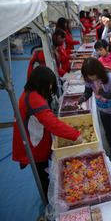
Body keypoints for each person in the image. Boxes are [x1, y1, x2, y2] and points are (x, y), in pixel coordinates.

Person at [12, 66, 83, 198]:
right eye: (50, 83)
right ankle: (48, 201)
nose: (51, 87)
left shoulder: (29, 92)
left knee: (43, 173)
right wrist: (76, 135)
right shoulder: (34, 99)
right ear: (41, 82)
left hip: (30, 140)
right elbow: (53, 124)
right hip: (33, 145)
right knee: (42, 177)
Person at [78, 58, 111, 164]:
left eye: (92, 74)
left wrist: (105, 94)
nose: (90, 77)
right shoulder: (89, 79)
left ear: (98, 71)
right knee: (108, 133)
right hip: (103, 109)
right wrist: (81, 99)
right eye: (88, 75)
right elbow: (87, 92)